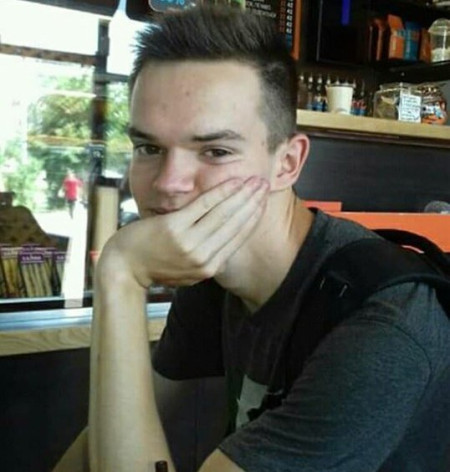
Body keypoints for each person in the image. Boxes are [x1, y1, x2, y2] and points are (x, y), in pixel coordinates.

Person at [54, 6, 450, 472]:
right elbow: (103, 440)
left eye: (216, 150)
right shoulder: (213, 278)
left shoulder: (385, 328)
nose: (167, 183)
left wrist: (120, 275)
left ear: (287, 163)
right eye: (149, 148)